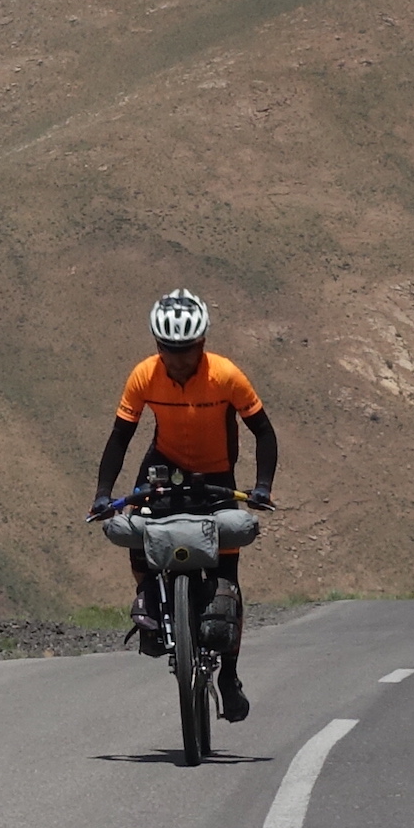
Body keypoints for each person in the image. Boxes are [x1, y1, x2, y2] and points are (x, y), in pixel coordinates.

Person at [87, 289, 278, 723]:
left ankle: (229, 677)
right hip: (164, 467)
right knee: (135, 529)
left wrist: (262, 487)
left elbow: (263, 433)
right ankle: (150, 607)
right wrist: (102, 493)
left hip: (216, 475)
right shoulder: (143, 376)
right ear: (157, 346)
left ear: (202, 344)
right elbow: (120, 438)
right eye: (169, 350)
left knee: (227, 579)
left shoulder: (226, 376)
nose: (178, 360)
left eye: (187, 351)